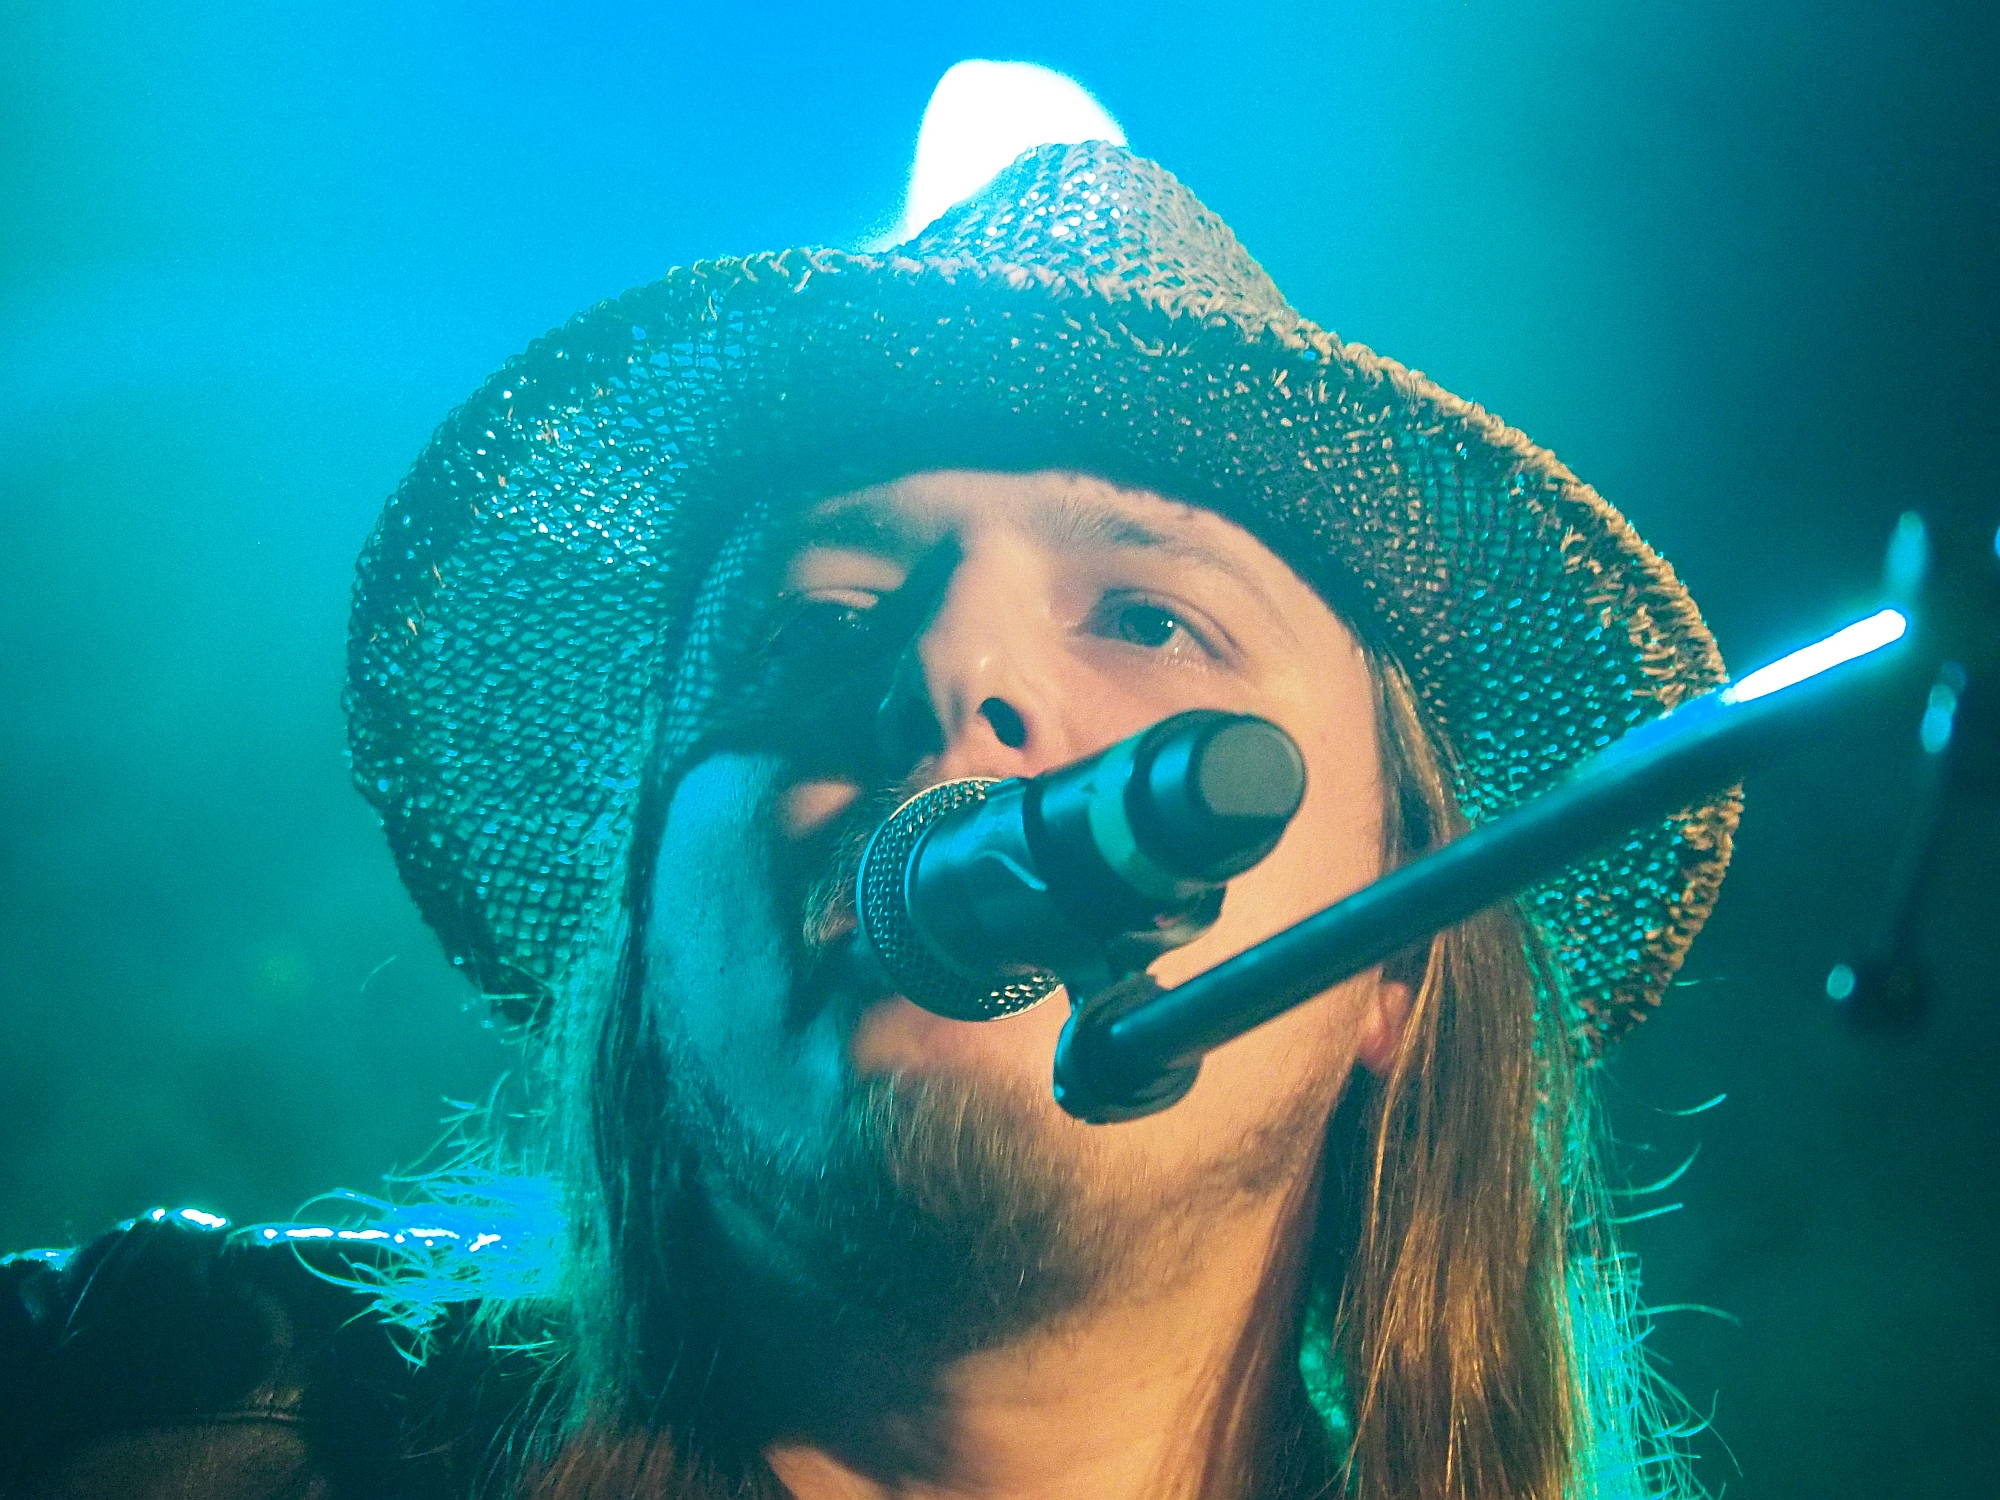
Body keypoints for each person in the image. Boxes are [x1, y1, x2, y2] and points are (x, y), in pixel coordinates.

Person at [0, 143, 1736, 1500]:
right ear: (654, 917)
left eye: (1149, 619)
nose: (950, 666)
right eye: (817, 624)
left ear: (1396, 961)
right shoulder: (136, 1401)